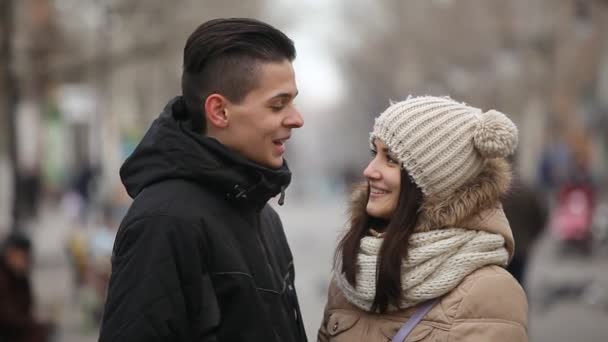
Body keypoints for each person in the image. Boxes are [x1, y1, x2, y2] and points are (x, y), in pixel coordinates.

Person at [98, 18, 306, 342]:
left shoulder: (264, 216)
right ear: (219, 111)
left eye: (293, 101)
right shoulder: (163, 222)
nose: (296, 119)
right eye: (278, 105)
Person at [318, 96, 528, 341]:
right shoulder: (352, 271)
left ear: (435, 180)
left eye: (391, 159)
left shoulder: (490, 292)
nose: (369, 170)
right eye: (375, 152)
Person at [0, 233, 51, 342]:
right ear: (10, 254)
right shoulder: (3, 279)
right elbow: (7, 318)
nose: (26, 261)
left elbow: (27, 307)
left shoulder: (21, 277)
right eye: (22, 256)